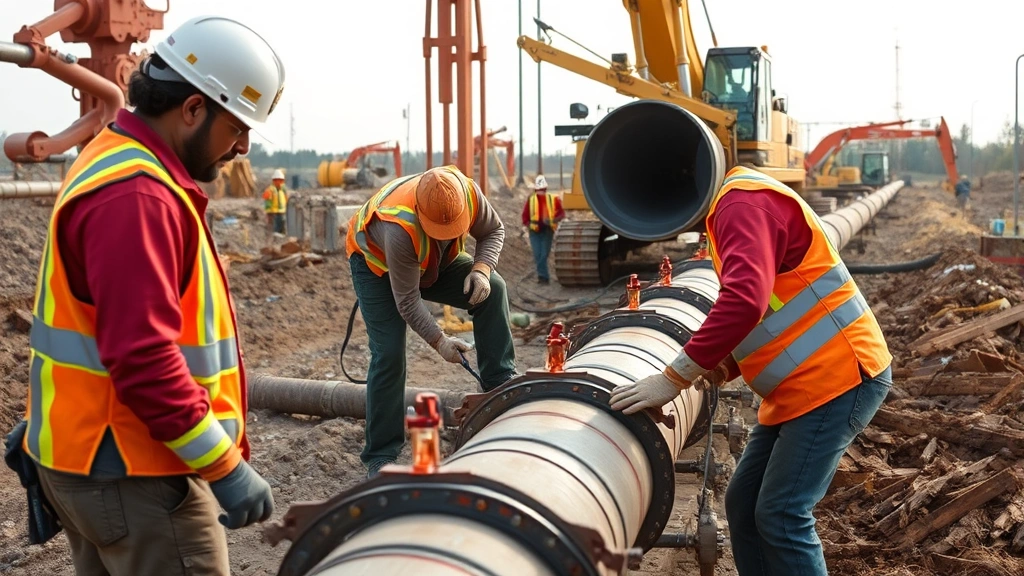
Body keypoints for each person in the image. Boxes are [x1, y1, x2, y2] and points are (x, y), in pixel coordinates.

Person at [6, 15, 285, 575]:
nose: (243, 148)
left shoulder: (117, 161)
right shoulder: (140, 195)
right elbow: (144, 358)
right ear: (192, 109)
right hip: (137, 472)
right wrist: (225, 468)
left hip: (94, 458)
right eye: (238, 128)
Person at [609, 165, 893, 576]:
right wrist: (725, 363)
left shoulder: (739, 205)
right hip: (801, 385)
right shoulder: (736, 205)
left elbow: (745, 302)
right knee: (744, 505)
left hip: (838, 378)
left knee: (782, 513)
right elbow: (774, 311)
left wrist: (674, 377)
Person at [345, 165, 518, 478]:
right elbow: (408, 301)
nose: (451, 233)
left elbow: (493, 230)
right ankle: (380, 455)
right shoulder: (400, 228)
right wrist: (440, 341)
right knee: (389, 353)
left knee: (495, 289)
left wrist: (481, 269)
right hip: (376, 267)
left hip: (432, 260)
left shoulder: (467, 192)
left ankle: (500, 386)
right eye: (442, 229)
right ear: (423, 216)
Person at [520, 174, 565, 284]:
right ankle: (543, 277)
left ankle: (543, 277)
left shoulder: (553, 199)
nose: (540, 192)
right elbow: (525, 217)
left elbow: (561, 214)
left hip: (547, 231)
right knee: (538, 254)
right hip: (534, 232)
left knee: (543, 254)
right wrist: (529, 225)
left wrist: (552, 221)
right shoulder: (531, 200)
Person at [263, 168, 289, 234]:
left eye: (281, 180)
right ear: (274, 181)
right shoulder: (270, 190)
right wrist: (269, 212)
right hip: (273, 212)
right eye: (278, 180)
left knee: (281, 228)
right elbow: (266, 200)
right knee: (275, 230)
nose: (280, 182)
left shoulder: (282, 190)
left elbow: (286, 200)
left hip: (281, 212)